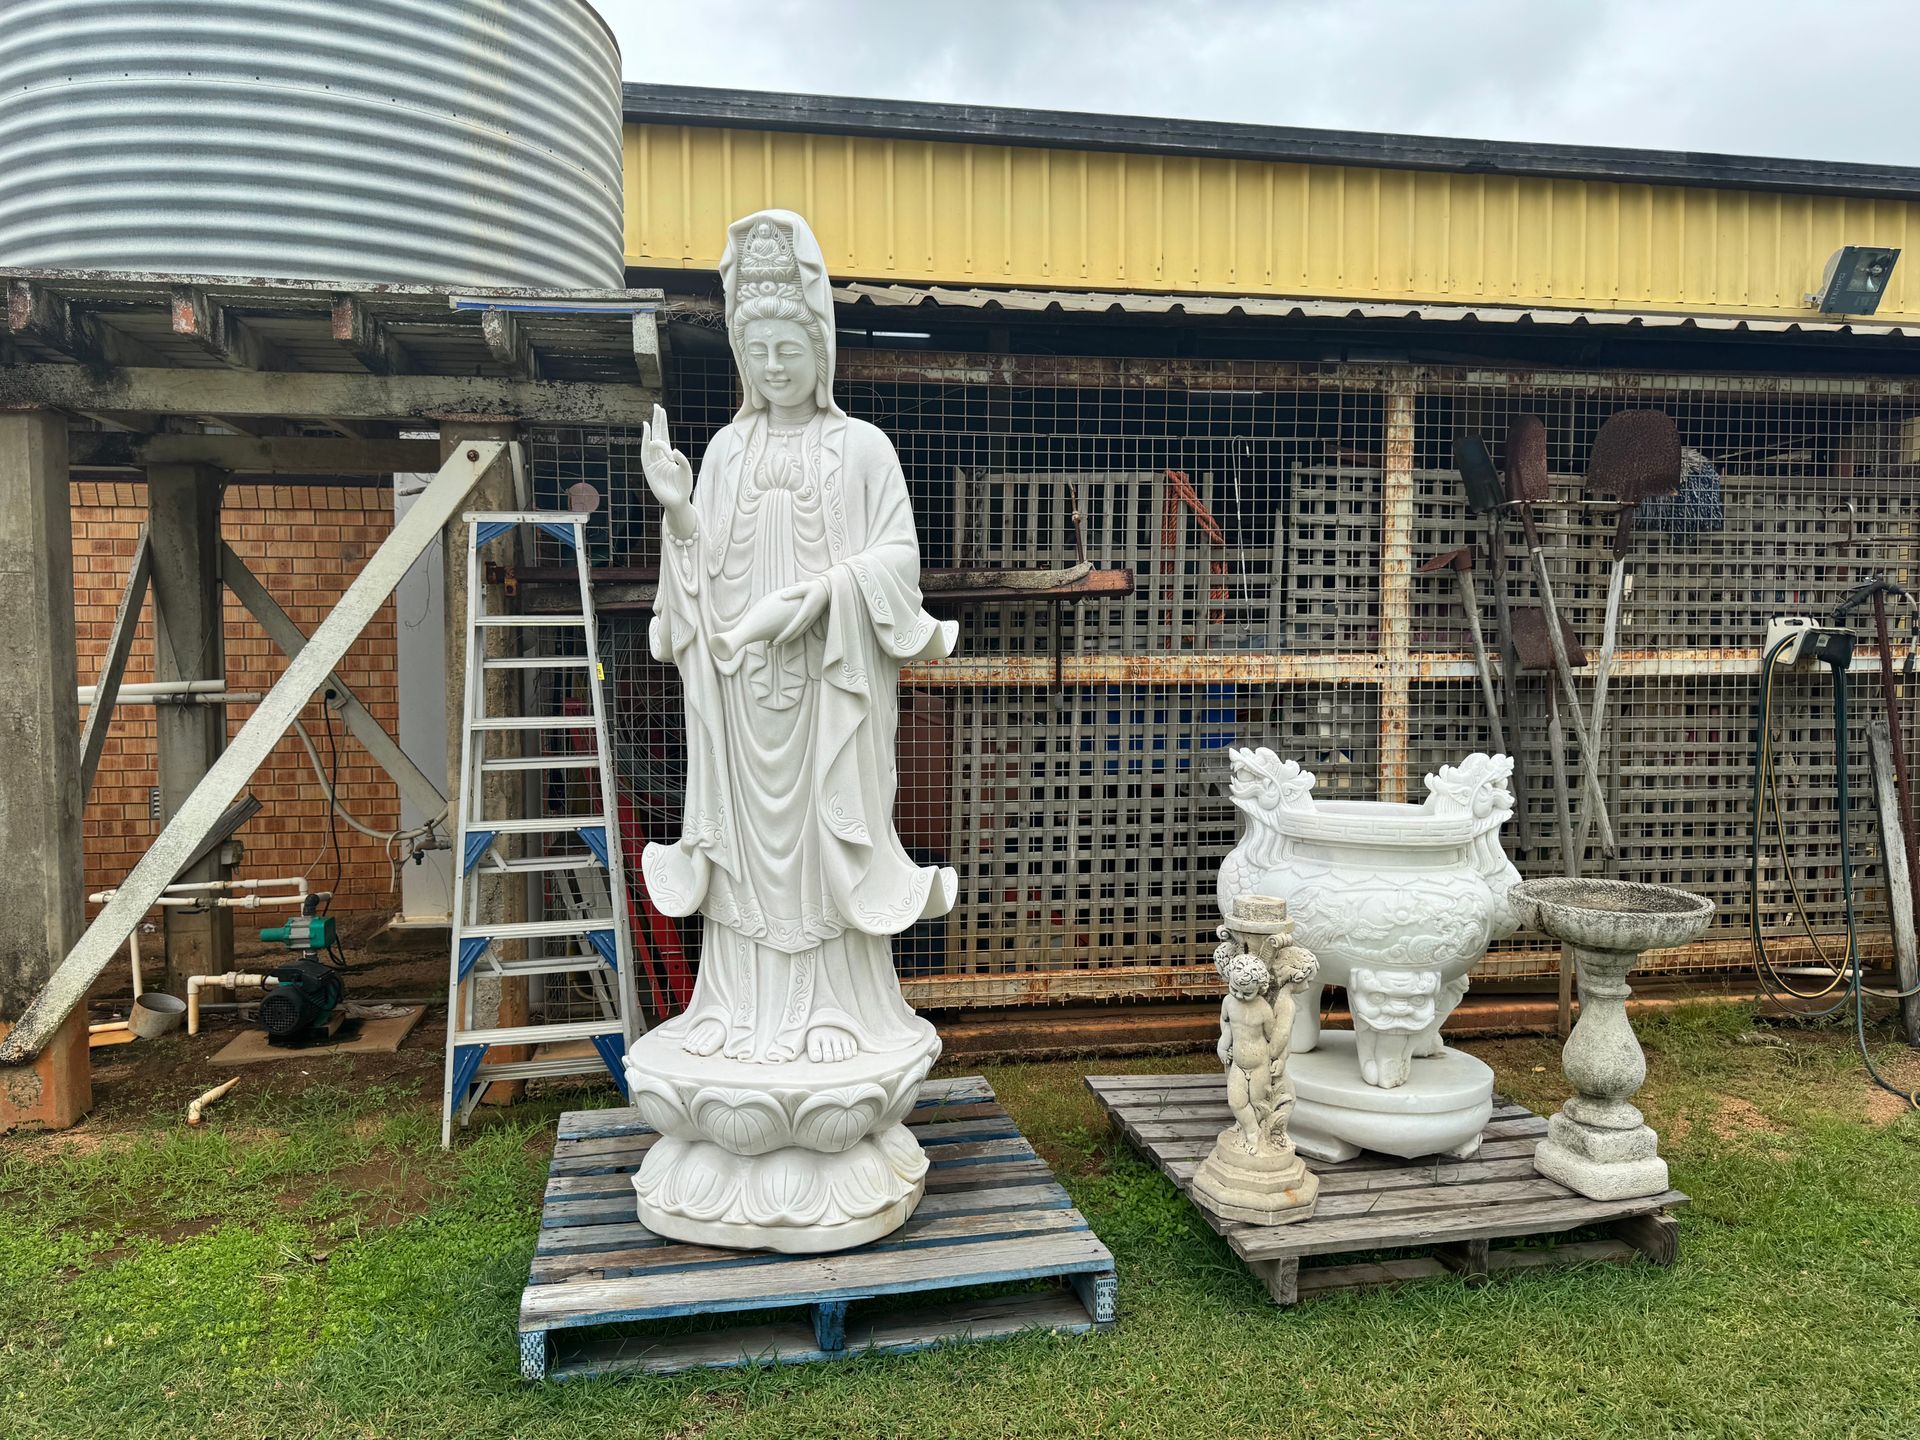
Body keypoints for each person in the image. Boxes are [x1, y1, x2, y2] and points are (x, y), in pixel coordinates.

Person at [637, 210, 958, 1067]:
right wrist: (677, 509)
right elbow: (702, 580)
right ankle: (738, 1010)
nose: (774, 367)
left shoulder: (864, 449)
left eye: (790, 348)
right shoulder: (727, 451)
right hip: (743, 696)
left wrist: (825, 593)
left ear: (821, 351)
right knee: (743, 851)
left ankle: (837, 1013)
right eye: (759, 352)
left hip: (830, 690)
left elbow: (897, 560)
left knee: (824, 843)